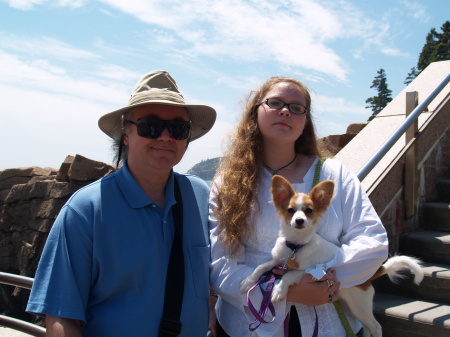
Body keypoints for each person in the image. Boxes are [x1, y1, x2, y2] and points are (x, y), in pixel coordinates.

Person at [26, 70, 217, 337]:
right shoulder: (86, 210)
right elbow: (61, 315)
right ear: (126, 133)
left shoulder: (200, 195)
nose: (165, 136)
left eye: (177, 128)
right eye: (150, 126)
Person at [209, 76, 388, 337]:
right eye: (275, 103)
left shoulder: (334, 174)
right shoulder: (229, 184)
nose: (285, 111)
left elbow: (373, 243)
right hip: (248, 327)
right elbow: (222, 264)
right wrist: (285, 289)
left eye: (296, 108)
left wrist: (318, 277)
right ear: (255, 112)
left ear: (305, 121)